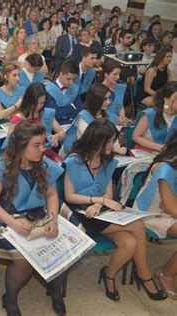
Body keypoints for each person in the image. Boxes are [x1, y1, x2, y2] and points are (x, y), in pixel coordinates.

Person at [63, 118, 167, 302]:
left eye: (113, 140)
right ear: (96, 140)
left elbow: (109, 195)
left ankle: (109, 275)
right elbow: (70, 196)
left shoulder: (109, 162)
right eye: (109, 141)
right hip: (79, 214)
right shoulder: (74, 161)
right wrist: (98, 200)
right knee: (136, 225)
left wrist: (99, 204)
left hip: (100, 211)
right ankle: (144, 275)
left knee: (130, 243)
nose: (113, 145)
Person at [0, 121, 67, 316]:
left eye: (43, 144)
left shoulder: (43, 164)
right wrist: (14, 223)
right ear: (21, 146)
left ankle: (54, 287)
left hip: (35, 213)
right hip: (3, 216)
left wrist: (53, 220)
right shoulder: (0, 166)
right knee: (23, 259)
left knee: (63, 246)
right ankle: (10, 298)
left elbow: (51, 195)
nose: (43, 149)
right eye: (37, 145)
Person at [134, 134, 177, 300]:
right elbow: (170, 207)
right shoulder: (166, 168)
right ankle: (165, 273)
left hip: (168, 209)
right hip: (150, 213)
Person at [63, 83, 127, 155]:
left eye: (109, 98)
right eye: (105, 99)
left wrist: (121, 148)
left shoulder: (107, 115)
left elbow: (114, 139)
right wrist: (115, 150)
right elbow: (91, 143)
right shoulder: (83, 117)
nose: (109, 102)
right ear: (96, 100)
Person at [9, 82, 65, 163]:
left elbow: (62, 133)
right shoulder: (18, 118)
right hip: (25, 158)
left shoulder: (46, 113)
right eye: (35, 103)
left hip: (46, 154)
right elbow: (10, 144)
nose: (38, 106)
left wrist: (57, 136)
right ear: (28, 100)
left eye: (42, 103)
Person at [133, 81, 177, 152]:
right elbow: (136, 137)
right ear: (166, 99)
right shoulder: (150, 113)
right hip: (147, 152)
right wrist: (159, 147)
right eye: (176, 97)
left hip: (169, 155)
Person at [45, 60, 80, 125]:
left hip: (73, 124)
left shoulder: (74, 88)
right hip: (56, 127)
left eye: (74, 79)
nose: (71, 82)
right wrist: (72, 107)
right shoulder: (49, 90)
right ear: (60, 74)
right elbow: (56, 114)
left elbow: (79, 108)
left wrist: (64, 111)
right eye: (68, 79)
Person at [0, 63, 26, 127]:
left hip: (20, 123)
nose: (18, 78)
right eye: (14, 75)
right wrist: (16, 106)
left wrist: (8, 113)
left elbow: (25, 110)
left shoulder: (22, 90)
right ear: (6, 76)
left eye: (18, 75)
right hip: (4, 126)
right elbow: (1, 115)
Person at [100, 59, 128, 125]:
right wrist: (117, 119)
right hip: (103, 122)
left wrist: (123, 117)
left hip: (118, 122)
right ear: (106, 74)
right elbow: (99, 111)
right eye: (115, 74)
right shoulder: (98, 89)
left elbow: (121, 106)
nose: (118, 77)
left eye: (119, 74)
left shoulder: (120, 88)